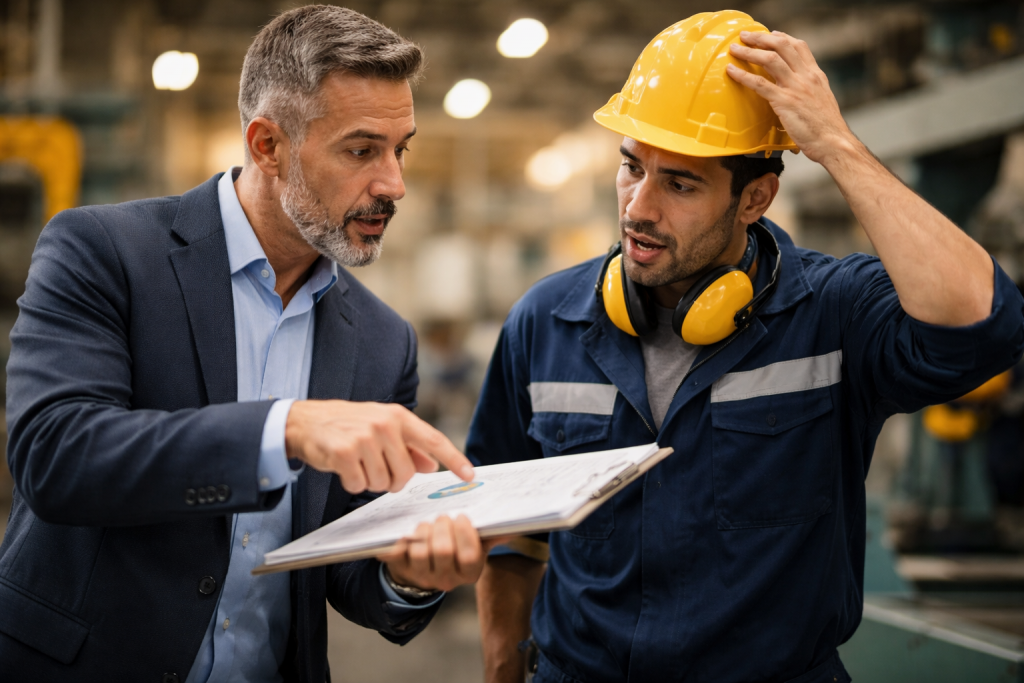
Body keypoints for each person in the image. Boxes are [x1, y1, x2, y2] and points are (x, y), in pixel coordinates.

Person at [468, 10, 1024, 683]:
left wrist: (837, 145)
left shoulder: (831, 313)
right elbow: (500, 515)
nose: (639, 207)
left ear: (755, 197)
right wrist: (502, 662)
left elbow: (984, 323)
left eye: (680, 183)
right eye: (631, 167)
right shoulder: (546, 319)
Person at [1, 6, 493, 683]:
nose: (393, 184)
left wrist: (406, 575)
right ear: (267, 145)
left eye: (399, 148)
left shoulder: (382, 341)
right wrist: (284, 427)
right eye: (361, 150)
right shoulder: (104, 251)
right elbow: (55, 453)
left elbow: (345, 560)